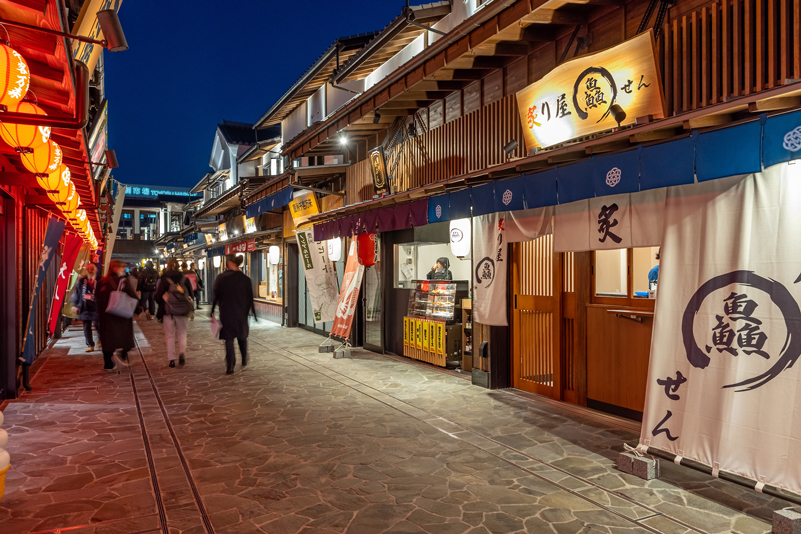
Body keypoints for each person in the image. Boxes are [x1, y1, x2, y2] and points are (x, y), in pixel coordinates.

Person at [211, 254, 256, 375]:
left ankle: (230, 365)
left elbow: (216, 295)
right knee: (242, 336)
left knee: (229, 339)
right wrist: (252, 312)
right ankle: (244, 358)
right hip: (241, 313)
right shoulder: (245, 279)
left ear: (229, 265)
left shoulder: (221, 278)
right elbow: (249, 298)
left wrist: (212, 310)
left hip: (226, 312)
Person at [95, 260, 138, 371]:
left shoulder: (102, 281)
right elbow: (132, 295)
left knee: (107, 339)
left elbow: (96, 297)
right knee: (125, 337)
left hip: (105, 316)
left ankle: (108, 363)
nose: (123, 270)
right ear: (116, 268)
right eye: (122, 267)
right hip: (121, 314)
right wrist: (138, 309)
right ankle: (121, 355)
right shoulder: (123, 281)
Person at [156, 258, 194, 368]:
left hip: (169, 312)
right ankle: (182, 354)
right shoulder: (184, 279)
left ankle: (171, 359)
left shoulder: (164, 279)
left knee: (170, 336)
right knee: (182, 333)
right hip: (183, 311)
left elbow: (157, 297)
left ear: (168, 266)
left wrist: (164, 300)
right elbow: (191, 295)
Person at [72, 263, 100, 352]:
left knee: (98, 324)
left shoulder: (100, 280)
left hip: (97, 306)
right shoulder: (82, 280)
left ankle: (101, 338)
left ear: (95, 269)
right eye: (88, 269)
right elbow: (77, 294)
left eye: (92, 268)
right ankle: (90, 344)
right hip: (85, 306)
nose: (90, 270)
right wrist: (76, 306)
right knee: (86, 326)